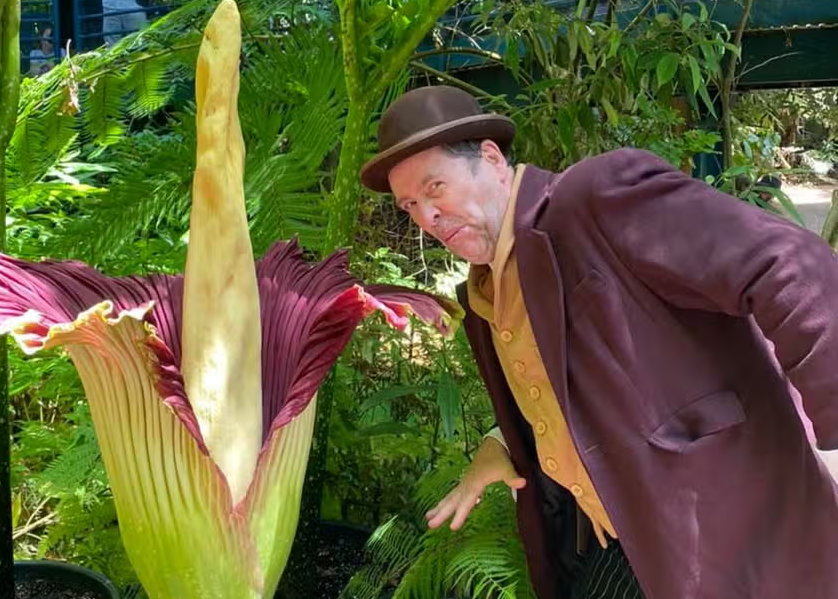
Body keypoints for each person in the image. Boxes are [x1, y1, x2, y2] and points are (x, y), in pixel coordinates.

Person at [358, 84, 838, 599]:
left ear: (492, 159)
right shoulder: (481, 295)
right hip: (617, 548)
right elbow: (576, 379)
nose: (426, 218)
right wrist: (503, 443)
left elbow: (791, 267)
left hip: (732, 533)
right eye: (410, 205)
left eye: (435, 188)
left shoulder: (594, 198)